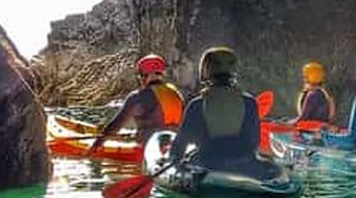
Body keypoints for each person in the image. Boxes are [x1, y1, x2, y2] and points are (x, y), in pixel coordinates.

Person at [168, 47, 280, 179]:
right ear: (234, 72)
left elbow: (180, 146)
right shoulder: (250, 102)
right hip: (245, 167)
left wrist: (175, 161)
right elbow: (253, 143)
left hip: (206, 166)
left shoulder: (197, 104)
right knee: (274, 167)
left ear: (205, 71)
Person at [91, 54, 183, 150]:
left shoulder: (138, 97)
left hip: (148, 149)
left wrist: (96, 145)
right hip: (173, 147)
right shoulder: (176, 94)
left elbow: (115, 126)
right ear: (163, 74)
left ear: (143, 76)